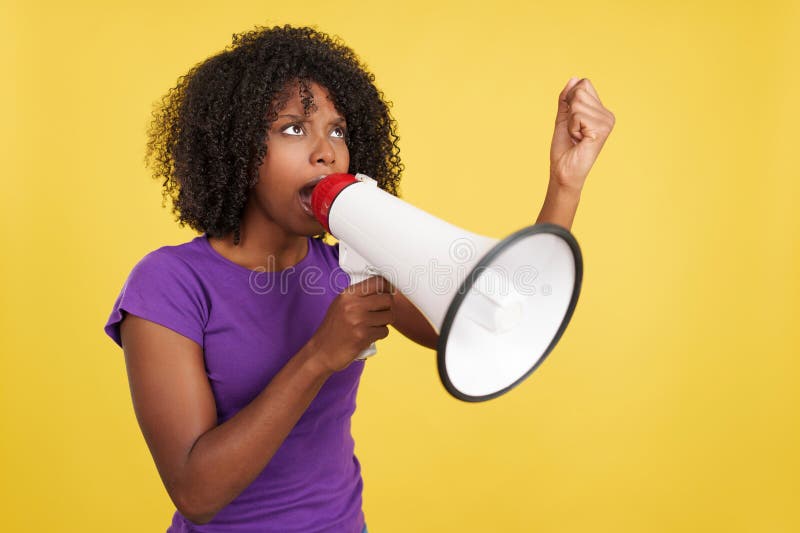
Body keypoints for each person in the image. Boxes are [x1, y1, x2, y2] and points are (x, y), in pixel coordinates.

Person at [104, 24, 614, 533]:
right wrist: (319, 356)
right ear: (236, 147)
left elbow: (496, 314)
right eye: (294, 128)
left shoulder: (347, 264)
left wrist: (565, 183)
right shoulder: (169, 284)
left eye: (338, 130)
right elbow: (197, 492)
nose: (326, 151)